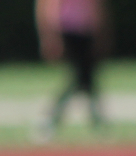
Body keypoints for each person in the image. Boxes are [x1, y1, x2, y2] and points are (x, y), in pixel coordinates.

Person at [34, 0, 109, 142]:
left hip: (87, 31)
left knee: (86, 78)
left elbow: (97, 6)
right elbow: (48, 6)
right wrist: (50, 37)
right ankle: (51, 118)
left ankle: (97, 121)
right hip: (67, 31)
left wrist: (101, 32)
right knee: (80, 78)